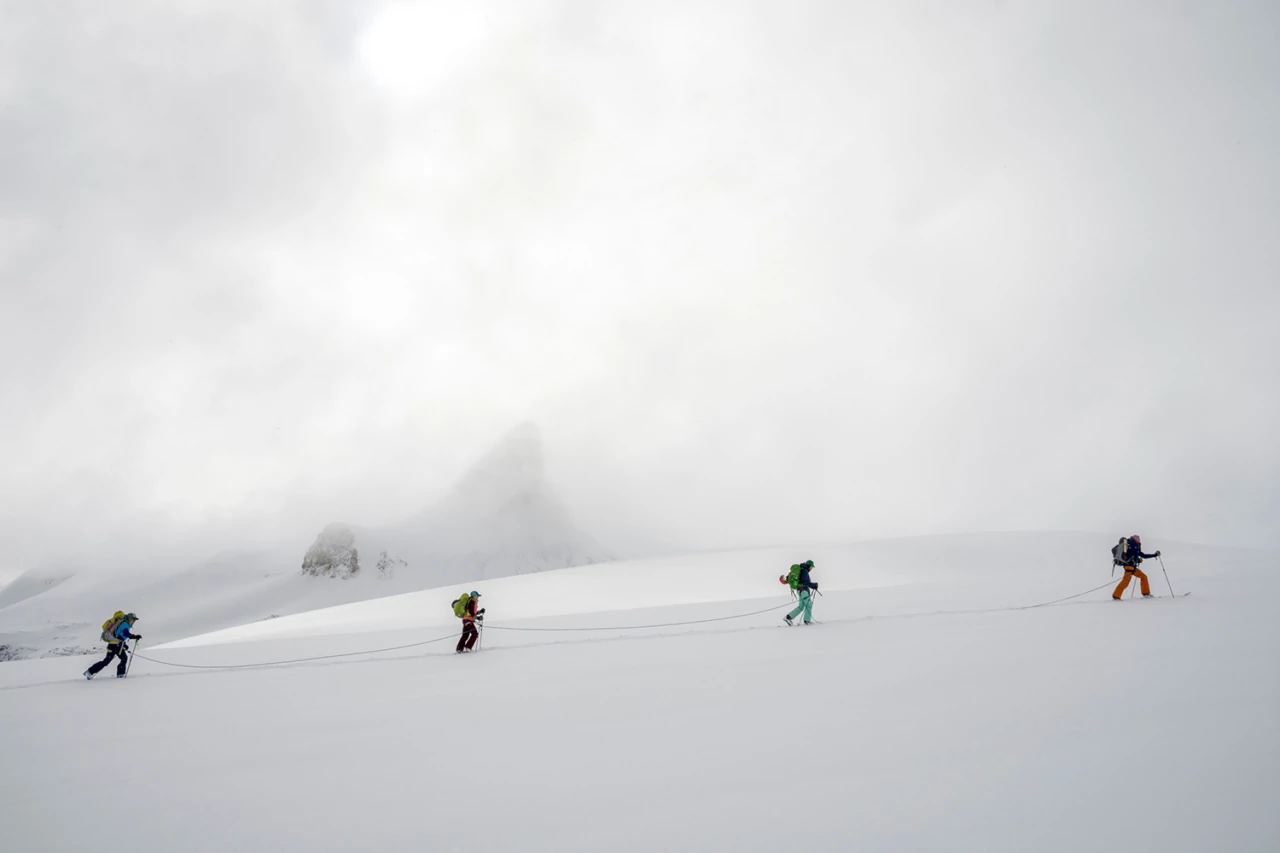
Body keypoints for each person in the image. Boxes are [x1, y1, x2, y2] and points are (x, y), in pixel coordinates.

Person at [84, 612, 141, 679]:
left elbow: (119, 636)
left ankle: (120, 674)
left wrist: (124, 645)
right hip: (114, 646)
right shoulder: (125, 624)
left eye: (134, 620)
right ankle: (90, 672)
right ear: (129, 618)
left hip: (116, 645)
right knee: (109, 661)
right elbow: (125, 633)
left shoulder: (125, 624)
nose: (134, 621)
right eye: (133, 620)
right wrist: (134, 636)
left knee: (122, 658)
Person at [1113, 535, 1161, 600]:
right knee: (1125, 582)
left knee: (1143, 577)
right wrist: (1155, 555)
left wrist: (1138, 560)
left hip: (1130, 567)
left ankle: (1146, 593)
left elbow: (1130, 556)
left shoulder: (1129, 545)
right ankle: (1116, 596)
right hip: (1130, 567)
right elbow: (1143, 555)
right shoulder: (1133, 545)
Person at [784, 560, 819, 625]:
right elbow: (804, 582)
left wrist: (812, 586)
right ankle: (807, 621)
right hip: (803, 591)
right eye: (811, 567)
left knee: (801, 607)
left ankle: (788, 617)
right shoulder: (805, 572)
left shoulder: (803, 571)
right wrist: (813, 585)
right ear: (808, 565)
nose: (811, 568)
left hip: (800, 591)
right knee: (809, 605)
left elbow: (803, 582)